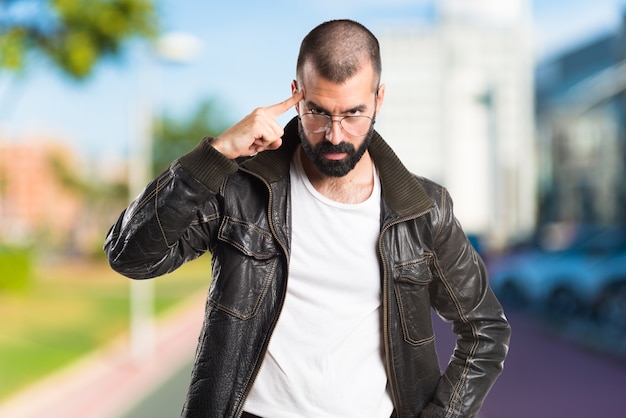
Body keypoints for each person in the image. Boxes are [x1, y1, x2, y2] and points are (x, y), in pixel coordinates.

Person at [105, 19, 510, 418]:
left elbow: (485, 330)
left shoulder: (424, 209)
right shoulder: (241, 190)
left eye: (353, 114)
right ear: (296, 95)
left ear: (379, 99)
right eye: (318, 112)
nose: (335, 135)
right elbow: (131, 256)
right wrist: (215, 156)